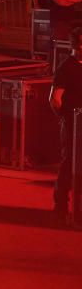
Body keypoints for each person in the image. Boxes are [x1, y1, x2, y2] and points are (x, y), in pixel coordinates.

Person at [50, 27, 82, 227]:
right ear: (74, 45)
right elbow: (55, 99)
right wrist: (66, 119)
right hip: (73, 123)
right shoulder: (66, 68)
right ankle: (61, 204)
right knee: (68, 162)